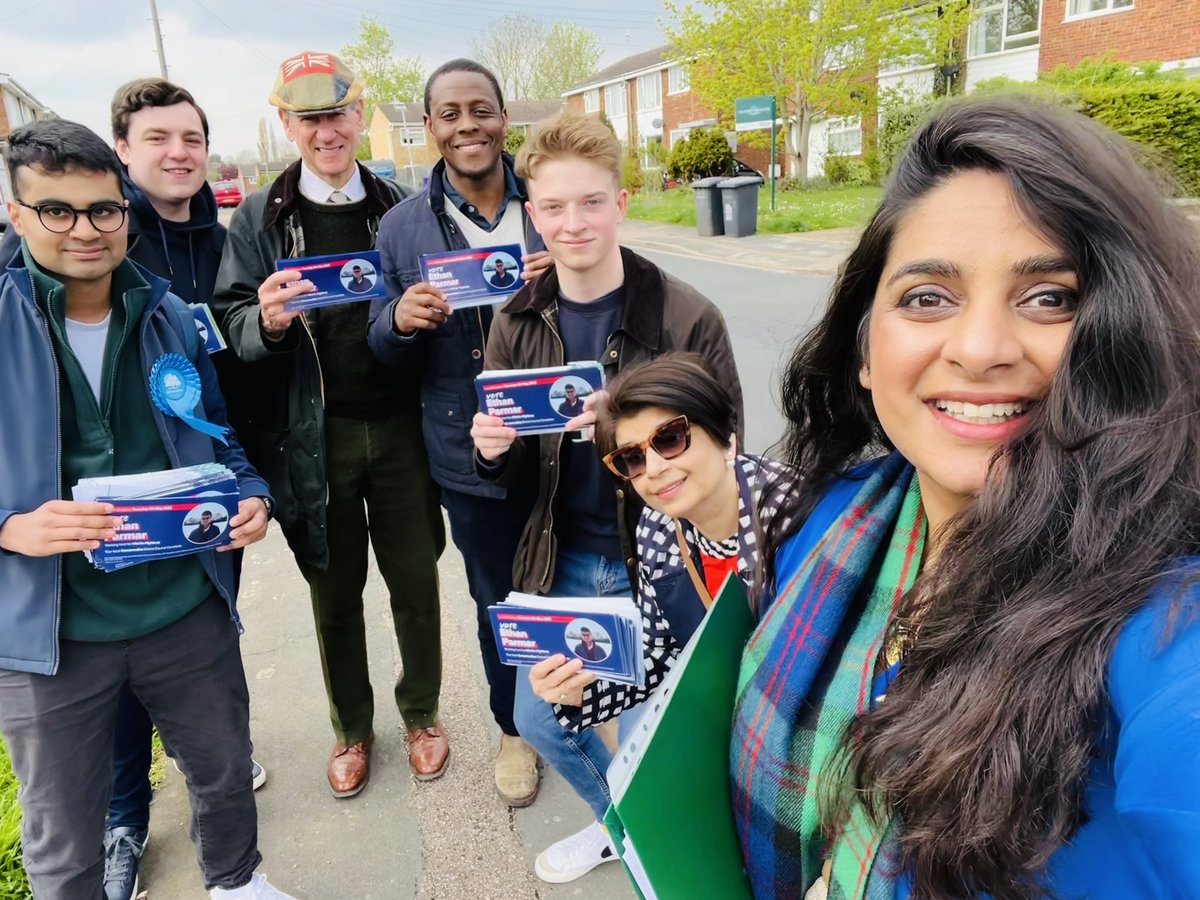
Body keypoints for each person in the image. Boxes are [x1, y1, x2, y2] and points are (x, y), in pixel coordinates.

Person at [731, 97, 1200, 900]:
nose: (981, 350)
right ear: (866, 355)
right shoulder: (837, 522)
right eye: (927, 297)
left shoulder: (1161, 625)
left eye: (1050, 297)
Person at [0, 120, 292, 900]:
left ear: (124, 212)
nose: (85, 230)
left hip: (185, 607)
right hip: (53, 631)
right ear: (17, 213)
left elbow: (218, 438)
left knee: (225, 771)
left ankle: (237, 883)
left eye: (102, 210)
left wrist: (253, 493)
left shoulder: (168, 317)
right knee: (62, 829)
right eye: (56, 211)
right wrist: (10, 527)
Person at [470, 112, 744, 884]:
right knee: (537, 715)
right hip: (561, 556)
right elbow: (511, 475)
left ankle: (674, 836)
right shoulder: (516, 320)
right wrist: (491, 453)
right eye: (553, 207)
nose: (572, 222)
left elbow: (725, 458)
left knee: (659, 725)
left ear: (621, 202)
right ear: (532, 214)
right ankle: (624, 823)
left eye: (590, 202)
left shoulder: (687, 317)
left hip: (658, 555)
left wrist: (636, 430)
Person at [213, 50, 448, 799]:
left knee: (415, 581)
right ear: (286, 122)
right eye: (309, 118)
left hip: (403, 426)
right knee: (333, 590)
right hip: (319, 435)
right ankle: (352, 727)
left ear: (359, 114)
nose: (326, 131)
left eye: (338, 113)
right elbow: (229, 318)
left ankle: (422, 713)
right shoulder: (258, 216)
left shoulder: (402, 203)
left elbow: (444, 294)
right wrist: (269, 322)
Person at [368, 58, 552, 808]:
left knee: (590, 580)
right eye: (450, 113)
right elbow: (377, 342)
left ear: (505, 120)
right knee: (499, 599)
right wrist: (399, 321)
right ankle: (515, 729)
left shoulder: (548, 199)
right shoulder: (402, 226)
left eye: (482, 109)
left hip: (567, 435)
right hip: (469, 449)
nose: (467, 125)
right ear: (431, 127)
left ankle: (592, 716)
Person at [530, 353, 791, 737]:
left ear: (727, 440)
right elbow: (662, 655)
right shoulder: (657, 527)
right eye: (632, 458)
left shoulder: (795, 516)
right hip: (735, 717)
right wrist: (579, 691)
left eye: (670, 439)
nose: (653, 469)